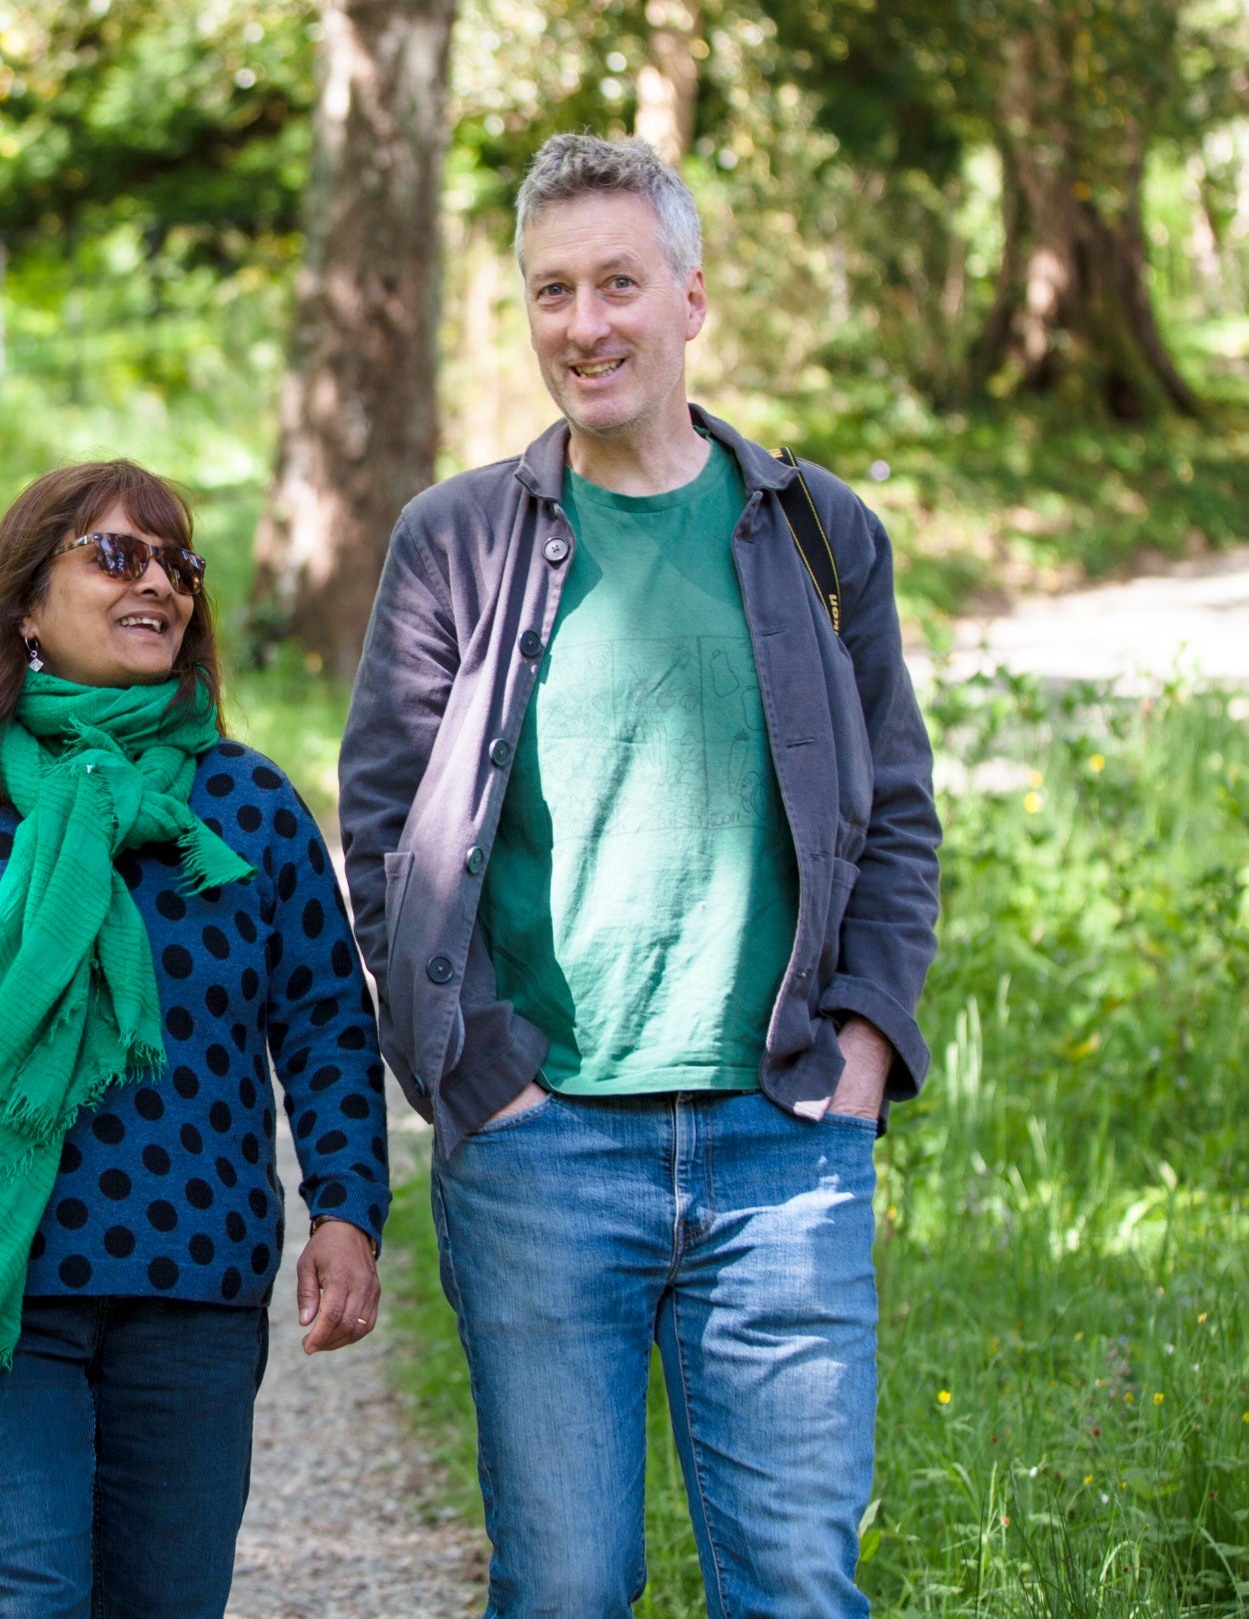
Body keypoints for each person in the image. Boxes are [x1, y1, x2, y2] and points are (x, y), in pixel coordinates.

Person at [340, 135, 942, 1618]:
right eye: (553, 291)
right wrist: (480, 1070)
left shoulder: (814, 532)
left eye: (618, 282)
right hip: (544, 1153)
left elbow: (902, 816)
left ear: (690, 298)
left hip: (784, 1139)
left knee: (798, 1583)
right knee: (564, 1586)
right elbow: (383, 835)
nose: (585, 323)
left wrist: (863, 1040)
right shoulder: (458, 542)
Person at [0, 460, 389, 1618]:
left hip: (195, 1281)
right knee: (23, 1594)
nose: (159, 582)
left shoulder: (247, 804)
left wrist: (348, 1209)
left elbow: (325, 1021)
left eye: (179, 562)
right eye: (117, 555)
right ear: (24, 603)